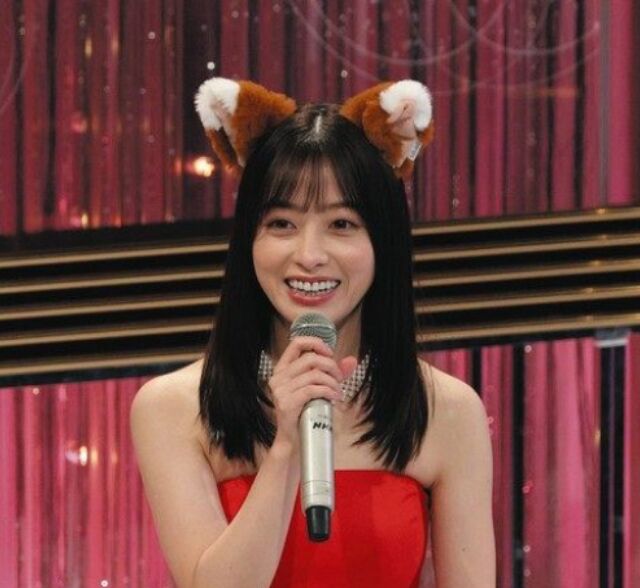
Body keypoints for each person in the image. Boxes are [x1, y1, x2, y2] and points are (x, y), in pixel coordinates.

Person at [130, 77, 495, 588]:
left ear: (383, 241)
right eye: (282, 224)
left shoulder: (446, 410)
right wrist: (286, 444)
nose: (309, 255)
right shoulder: (173, 406)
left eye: (342, 224)